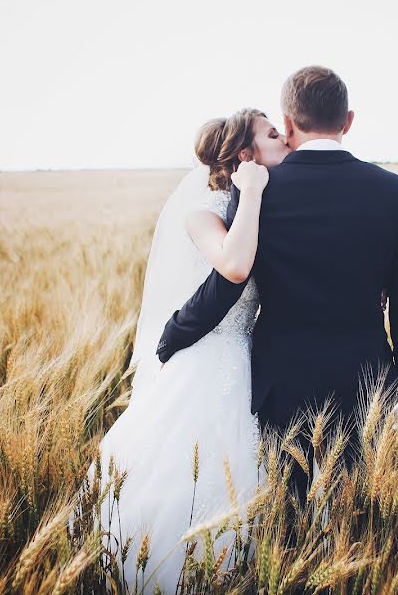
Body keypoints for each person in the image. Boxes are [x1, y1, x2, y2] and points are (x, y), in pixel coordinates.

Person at [156, 65, 398, 521]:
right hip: (365, 379)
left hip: (280, 381)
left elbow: (230, 283)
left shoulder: (256, 190)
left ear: (288, 124)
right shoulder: (397, 193)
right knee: (357, 520)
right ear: (347, 121)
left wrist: (174, 335)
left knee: (287, 516)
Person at [67, 108, 289, 594]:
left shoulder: (260, 204)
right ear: (245, 155)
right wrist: (251, 189)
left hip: (244, 358)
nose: (287, 137)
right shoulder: (201, 207)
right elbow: (233, 266)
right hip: (205, 360)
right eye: (275, 134)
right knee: (184, 479)